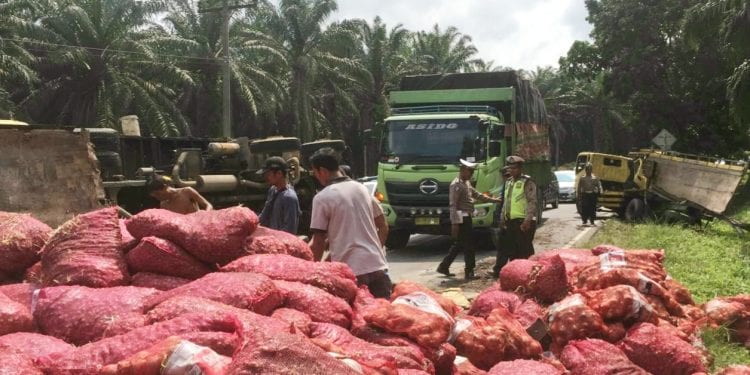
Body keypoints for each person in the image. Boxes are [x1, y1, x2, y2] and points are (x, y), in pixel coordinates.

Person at [307, 148, 392, 298]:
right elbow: (383, 225)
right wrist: (375, 251)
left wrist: (309, 272)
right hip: (378, 268)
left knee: (358, 319)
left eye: (315, 172)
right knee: (382, 317)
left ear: (322, 171)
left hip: (351, 273)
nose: (316, 177)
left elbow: (318, 242)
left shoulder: (322, 198)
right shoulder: (362, 189)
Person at [436, 159, 502, 280]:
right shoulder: (456, 185)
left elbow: (477, 195)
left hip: (467, 217)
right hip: (462, 219)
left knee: (460, 244)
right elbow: (453, 205)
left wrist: (494, 200)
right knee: (469, 246)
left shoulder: (466, 183)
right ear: (463, 170)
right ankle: (469, 271)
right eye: (470, 171)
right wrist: (455, 223)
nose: (471, 174)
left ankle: (444, 266)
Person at [497, 155, 538, 266]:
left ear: (520, 169)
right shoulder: (509, 183)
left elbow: (532, 202)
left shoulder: (527, 182)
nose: (512, 170)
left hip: (523, 223)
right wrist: (502, 218)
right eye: (510, 168)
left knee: (525, 252)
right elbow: (506, 202)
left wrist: (527, 220)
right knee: (513, 253)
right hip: (511, 222)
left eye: (514, 168)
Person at [257, 156, 301, 234]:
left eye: (268, 174)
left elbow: (289, 230)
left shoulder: (289, 197)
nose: (266, 177)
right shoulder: (273, 190)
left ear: (279, 173)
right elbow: (264, 214)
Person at [147, 174, 212, 214]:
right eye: (155, 196)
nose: (158, 198)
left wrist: (205, 216)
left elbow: (208, 205)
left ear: (165, 186)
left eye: (158, 194)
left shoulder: (187, 192)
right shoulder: (163, 204)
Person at [490, 166, 512, 278]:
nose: (506, 178)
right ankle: (500, 269)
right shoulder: (506, 186)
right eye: (505, 176)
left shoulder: (510, 185)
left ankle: (500, 270)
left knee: (504, 248)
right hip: (505, 220)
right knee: (503, 247)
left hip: (510, 220)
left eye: (508, 176)